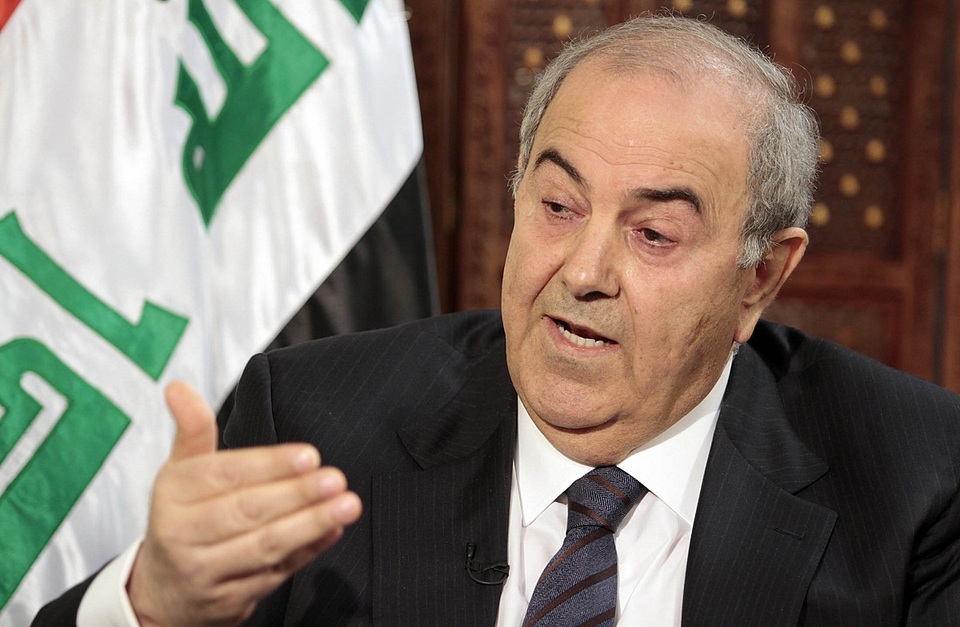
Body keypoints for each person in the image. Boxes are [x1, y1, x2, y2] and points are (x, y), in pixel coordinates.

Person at [34, 14, 960, 627]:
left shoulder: (915, 481)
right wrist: (152, 602)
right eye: (558, 206)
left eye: (653, 234)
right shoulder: (318, 422)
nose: (583, 272)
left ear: (761, 275)